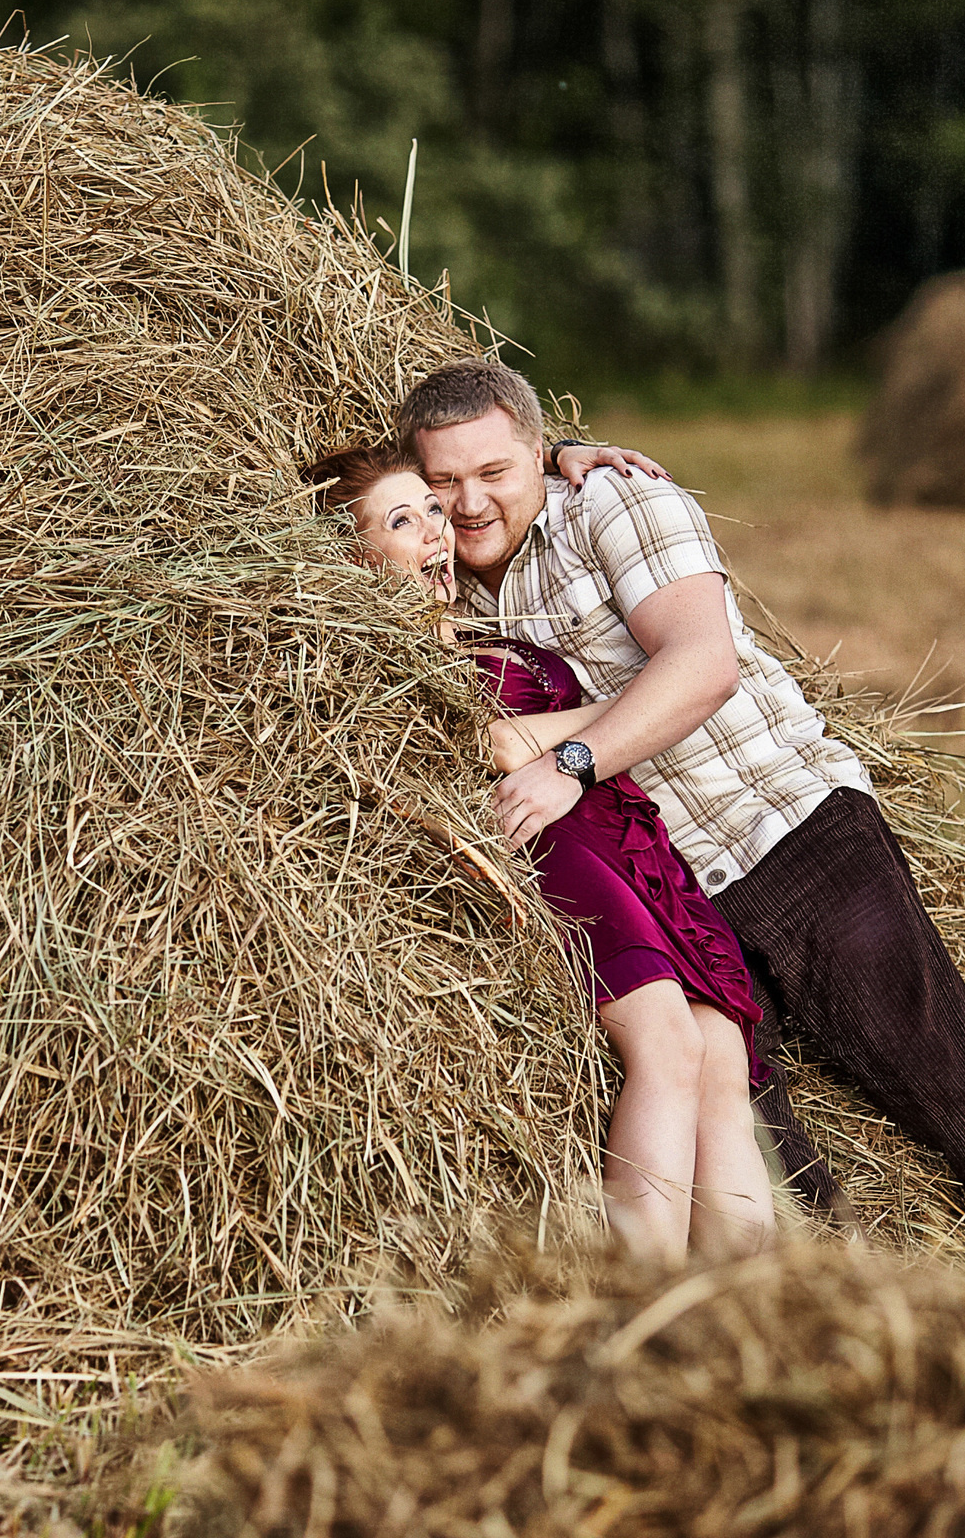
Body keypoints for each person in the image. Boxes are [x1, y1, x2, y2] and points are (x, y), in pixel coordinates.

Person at [397, 355, 965, 1295]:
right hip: (677, 894)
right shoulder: (452, 584)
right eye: (443, 484)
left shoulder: (614, 507)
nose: (468, 503)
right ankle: (858, 1346)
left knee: (950, 1075)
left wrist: (570, 762)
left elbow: (703, 661)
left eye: (494, 473)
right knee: (763, 1150)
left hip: (786, 833)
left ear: (535, 451)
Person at [307, 445, 774, 1266]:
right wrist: (615, 708)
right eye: (402, 519)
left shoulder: (490, 630)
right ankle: (639, 1303)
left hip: (633, 835)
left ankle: (747, 1317)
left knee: (721, 1058)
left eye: (432, 510)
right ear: (352, 557)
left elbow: (492, 449)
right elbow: (492, 742)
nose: (435, 530)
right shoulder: (389, 660)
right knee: (664, 1046)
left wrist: (559, 451)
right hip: (557, 842)